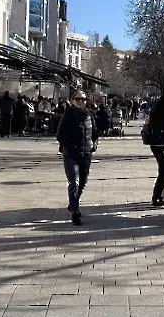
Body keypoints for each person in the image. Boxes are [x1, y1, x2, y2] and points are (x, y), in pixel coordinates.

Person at [56, 90, 99, 225]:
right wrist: (70, 146)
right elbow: (60, 135)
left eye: (83, 99)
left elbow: (95, 133)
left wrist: (94, 144)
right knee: (74, 182)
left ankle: (72, 203)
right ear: (72, 100)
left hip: (86, 154)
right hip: (71, 155)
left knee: (83, 182)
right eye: (78, 99)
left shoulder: (89, 115)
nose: (81, 101)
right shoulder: (68, 115)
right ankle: (75, 211)